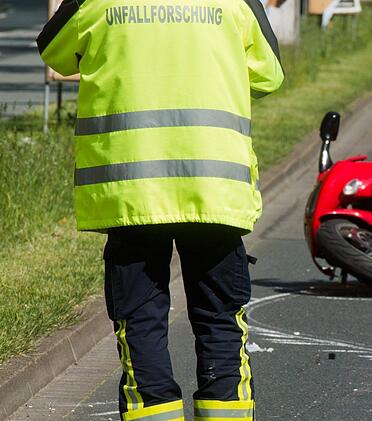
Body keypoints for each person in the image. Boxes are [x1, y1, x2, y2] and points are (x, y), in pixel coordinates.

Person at [37, 0, 283, 419]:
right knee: (221, 320)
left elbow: (54, 51)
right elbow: (268, 75)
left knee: (140, 323)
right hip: (212, 185)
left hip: (133, 189)